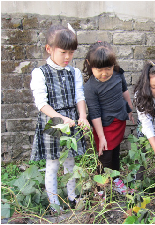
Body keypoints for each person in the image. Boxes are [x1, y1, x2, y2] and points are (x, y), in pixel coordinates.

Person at [30, 24, 90, 212]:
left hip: (71, 118)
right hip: (53, 121)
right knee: (53, 163)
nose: (67, 57)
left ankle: (72, 196)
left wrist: (82, 116)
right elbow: (41, 103)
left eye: (71, 53)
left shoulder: (75, 73)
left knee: (70, 161)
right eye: (63, 52)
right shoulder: (40, 73)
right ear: (49, 49)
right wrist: (60, 118)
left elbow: (79, 96)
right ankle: (54, 203)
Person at [83, 41, 135, 195]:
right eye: (99, 69)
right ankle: (101, 188)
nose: (104, 73)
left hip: (119, 121)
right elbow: (95, 113)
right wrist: (101, 136)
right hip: (103, 126)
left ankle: (116, 178)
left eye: (108, 68)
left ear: (114, 64)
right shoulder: (90, 87)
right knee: (105, 156)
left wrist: (130, 108)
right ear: (89, 64)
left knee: (115, 152)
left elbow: (124, 91)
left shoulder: (118, 74)